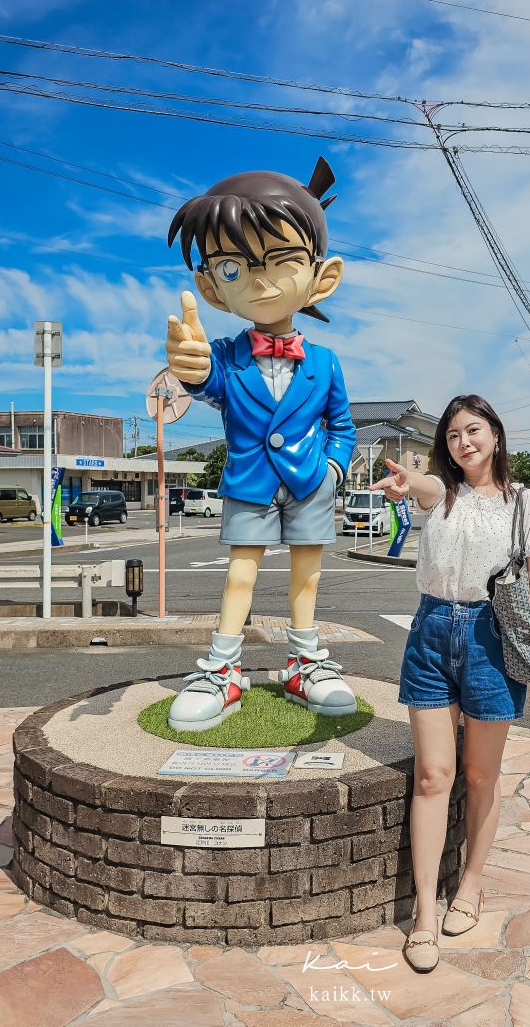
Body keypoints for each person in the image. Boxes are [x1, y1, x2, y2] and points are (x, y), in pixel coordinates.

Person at [371, 394, 530, 972]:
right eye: (453, 435)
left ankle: (471, 885)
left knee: (481, 774)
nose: (464, 442)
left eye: (473, 431)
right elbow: (424, 488)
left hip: (490, 638)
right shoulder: (441, 492)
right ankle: (425, 916)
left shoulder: (524, 502)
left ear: (496, 436)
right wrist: (409, 484)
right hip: (431, 630)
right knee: (433, 775)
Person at [164, 158, 357, 732]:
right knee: (240, 575)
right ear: (210, 284)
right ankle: (222, 670)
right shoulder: (225, 354)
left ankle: (305, 663)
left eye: (283, 260)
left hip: (309, 483)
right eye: (233, 266)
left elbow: (342, 425)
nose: (261, 280)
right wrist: (192, 369)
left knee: (308, 576)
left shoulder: (324, 361)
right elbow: (207, 381)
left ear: (321, 275)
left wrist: (334, 472)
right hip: (249, 481)